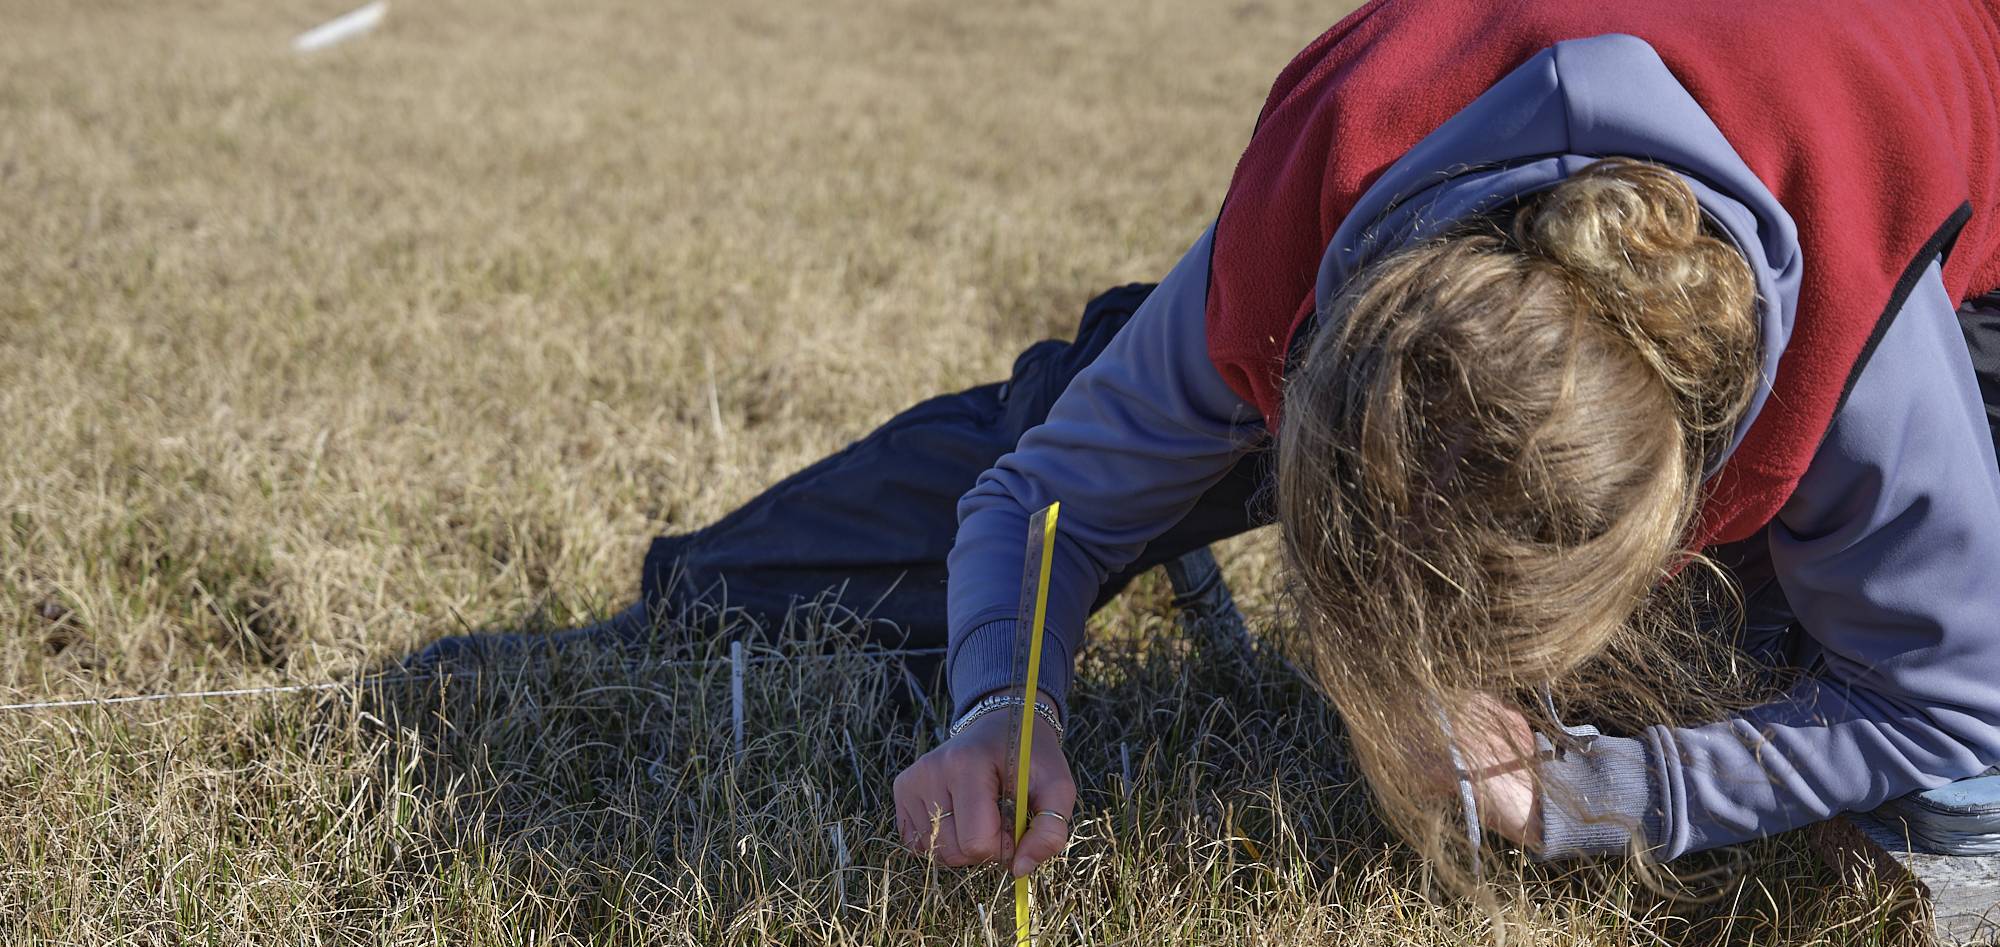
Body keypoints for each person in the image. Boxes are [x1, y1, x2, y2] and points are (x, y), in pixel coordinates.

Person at [447, 1, 2000, 886]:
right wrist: (1007, 694)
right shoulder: (1323, 201)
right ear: (1320, 345)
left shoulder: (1870, 355)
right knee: (1067, 406)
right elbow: (1050, 486)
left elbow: (1948, 712)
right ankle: (696, 607)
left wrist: (1603, 794)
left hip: (1921, 181)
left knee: (1906, 788)